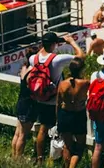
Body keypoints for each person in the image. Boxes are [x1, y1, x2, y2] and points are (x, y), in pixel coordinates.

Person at [18, 31, 85, 160]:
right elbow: (80, 56)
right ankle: (58, 156)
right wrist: (71, 42)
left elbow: (39, 58)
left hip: (39, 98)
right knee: (63, 132)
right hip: (55, 101)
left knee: (43, 130)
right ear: (54, 44)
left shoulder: (33, 59)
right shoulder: (57, 59)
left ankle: (40, 157)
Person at [56, 56, 91, 168]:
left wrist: (57, 118)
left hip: (64, 114)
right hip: (78, 115)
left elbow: (58, 103)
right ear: (81, 69)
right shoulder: (85, 83)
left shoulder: (62, 84)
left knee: (67, 145)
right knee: (80, 146)